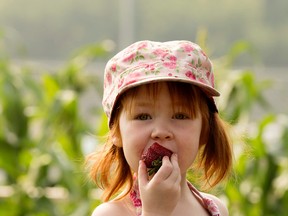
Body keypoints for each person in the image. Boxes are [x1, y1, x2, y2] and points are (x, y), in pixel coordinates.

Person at [87, 40, 233, 216]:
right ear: (117, 132)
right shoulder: (111, 214)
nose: (161, 132)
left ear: (204, 131)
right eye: (143, 117)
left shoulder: (214, 208)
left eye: (180, 116)